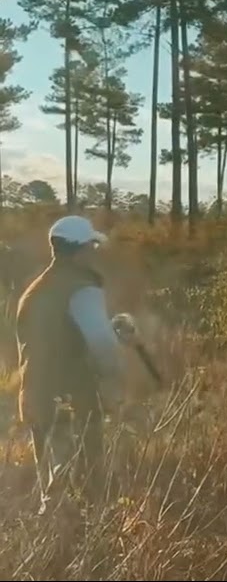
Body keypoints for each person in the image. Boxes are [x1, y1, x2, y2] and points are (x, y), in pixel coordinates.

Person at [15, 214, 126, 513]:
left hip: (36, 398)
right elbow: (102, 345)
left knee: (53, 489)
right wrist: (114, 380)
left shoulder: (33, 291)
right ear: (80, 249)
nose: (94, 253)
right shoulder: (82, 287)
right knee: (84, 489)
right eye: (92, 246)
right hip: (73, 402)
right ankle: (86, 553)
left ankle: (52, 552)